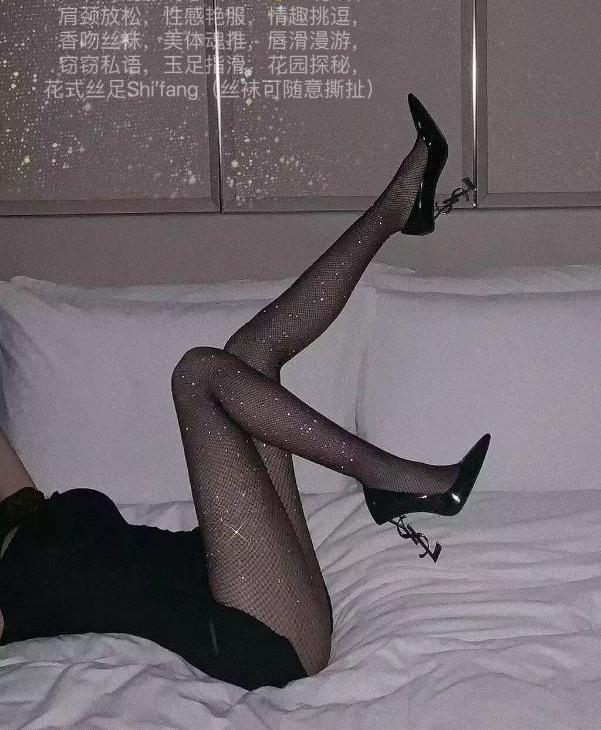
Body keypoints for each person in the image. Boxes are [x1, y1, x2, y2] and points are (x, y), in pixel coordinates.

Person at [0, 94, 491, 691]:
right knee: (198, 376)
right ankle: (389, 478)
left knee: (249, 353)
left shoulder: (18, 511)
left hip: (265, 586)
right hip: (246, 636)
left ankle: (397, 209)